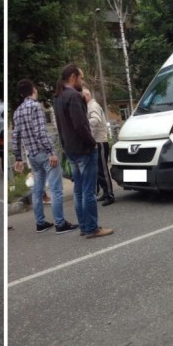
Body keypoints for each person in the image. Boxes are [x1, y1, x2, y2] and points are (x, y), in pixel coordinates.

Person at [53, 65, 114, 239]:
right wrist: (92, 143)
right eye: (81, 77)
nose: (82, 81)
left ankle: (84, 226)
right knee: (88, 191)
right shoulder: (73, 96)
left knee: (79, 190)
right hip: (83, 149)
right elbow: (81, 125)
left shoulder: (58, 97)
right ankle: (92, 228)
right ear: (73, 77)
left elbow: (60, 127)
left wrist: (65, 146)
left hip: (71, 149)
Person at [12, 78, 78, 235]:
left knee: (37, 189)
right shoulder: (36, 107)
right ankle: (60, 224)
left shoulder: (18, 111)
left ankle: (40, 223)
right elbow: (41, 131)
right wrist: (50, 152)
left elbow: (16, 136)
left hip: (32, 155)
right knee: (56, 189)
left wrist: (18, 158)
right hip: (44, 153)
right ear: (34, 90)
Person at [82, 87, 114, 206]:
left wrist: (85, 125)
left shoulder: (93, 106)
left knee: (102, 170)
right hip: (97, 141)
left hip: (100, 141)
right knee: (98, 170)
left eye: (82, 96)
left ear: (87, 96)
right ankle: (105, 192)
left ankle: (109, 195)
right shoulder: (89, 106)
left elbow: (95, 120)